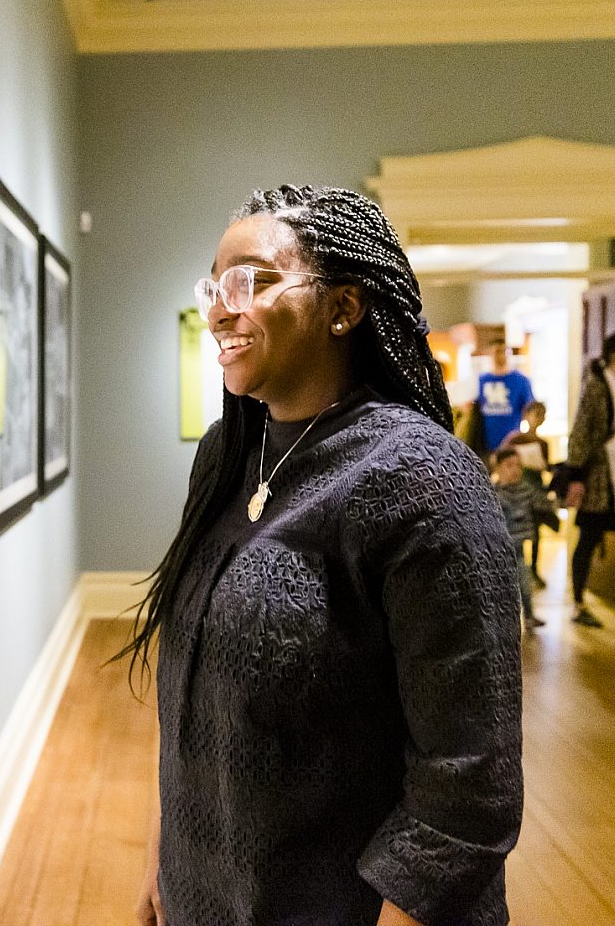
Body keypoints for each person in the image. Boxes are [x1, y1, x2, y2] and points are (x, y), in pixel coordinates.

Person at [125, 185, 523, 926]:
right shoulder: (228, 455)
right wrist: (166, 857)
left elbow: (469, 788)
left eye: (253, 280)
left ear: (343, 307)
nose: (219, 306)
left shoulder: (421, 481)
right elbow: (194, 696)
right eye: (215, 284)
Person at [563, 334, 615, 628]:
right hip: (599, 473)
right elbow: (582, 431)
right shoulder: (596, 386)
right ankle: (579, 600)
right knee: (589, 535)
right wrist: (576, 474)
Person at [491, 446, 548, 628]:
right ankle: (501, 622)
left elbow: (543, 502)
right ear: (498, 467)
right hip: (498, 551)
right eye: (509, 465)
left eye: (518, 465)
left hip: (519, 549)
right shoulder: (493, 493)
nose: (515, 470)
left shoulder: (525, 489)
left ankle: (529, 616)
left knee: (525, 584)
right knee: (500, 588)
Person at [502, 400, 557, 586]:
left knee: (535, 531)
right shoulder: (514, 438)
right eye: (536, 414)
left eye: (542, 415)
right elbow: (501, 458)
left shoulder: (542, 443)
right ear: (526, 415)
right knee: (515, 530)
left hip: (535, 490)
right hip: (516, 492)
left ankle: (533, 569)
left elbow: (547, 466)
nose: (538, 418)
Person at [474, 339, 535, 453]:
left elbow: (530, 410)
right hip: (485, 445)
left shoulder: (521, 380)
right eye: (497, 351)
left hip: (511, 444)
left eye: (504, 351)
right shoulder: (482, 380)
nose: (500, 355)